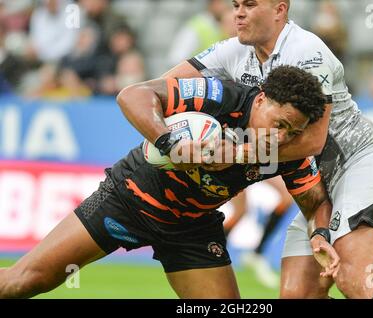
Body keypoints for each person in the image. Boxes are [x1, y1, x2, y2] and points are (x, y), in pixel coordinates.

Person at [0, 66, 339, 299]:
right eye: (279, 124)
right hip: (128, 197)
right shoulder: (220, 96)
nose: (282, 137)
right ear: (261, 99)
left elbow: (315, 201)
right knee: (24, 281)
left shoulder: (287, 151)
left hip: (192, 228)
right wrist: (170, 143)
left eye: (293, 131)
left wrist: (320, 234)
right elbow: (132, 95)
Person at [163, 0, 373, 299]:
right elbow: (163, 88)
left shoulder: (306, 52)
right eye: (235, 4)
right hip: (316, 190)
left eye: (249, 4)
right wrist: (174, 135)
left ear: (280, 10)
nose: (238, 12)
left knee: (355, 280)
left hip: (358, 168)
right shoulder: (232, 51)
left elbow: (312, 141)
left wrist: (234, 153)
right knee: (297, 295)